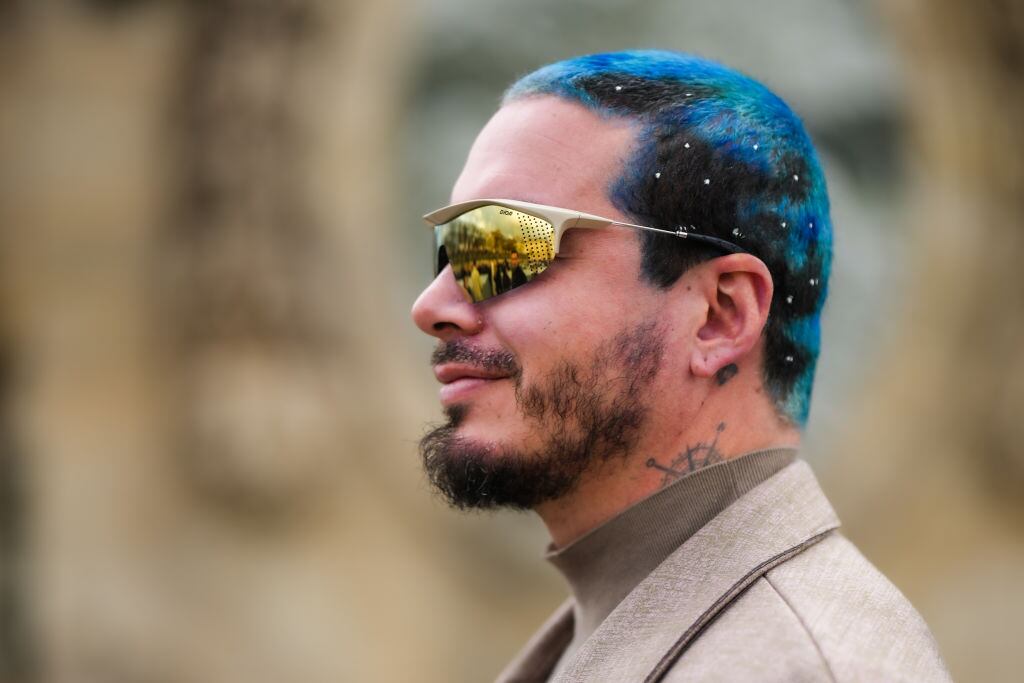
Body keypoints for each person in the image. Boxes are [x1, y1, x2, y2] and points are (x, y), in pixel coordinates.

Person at [411, 51, 949, 682]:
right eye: (452, 248)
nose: (433, 307)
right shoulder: (629, 625)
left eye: (501, 244)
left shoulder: (801, 667)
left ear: (720, 315)